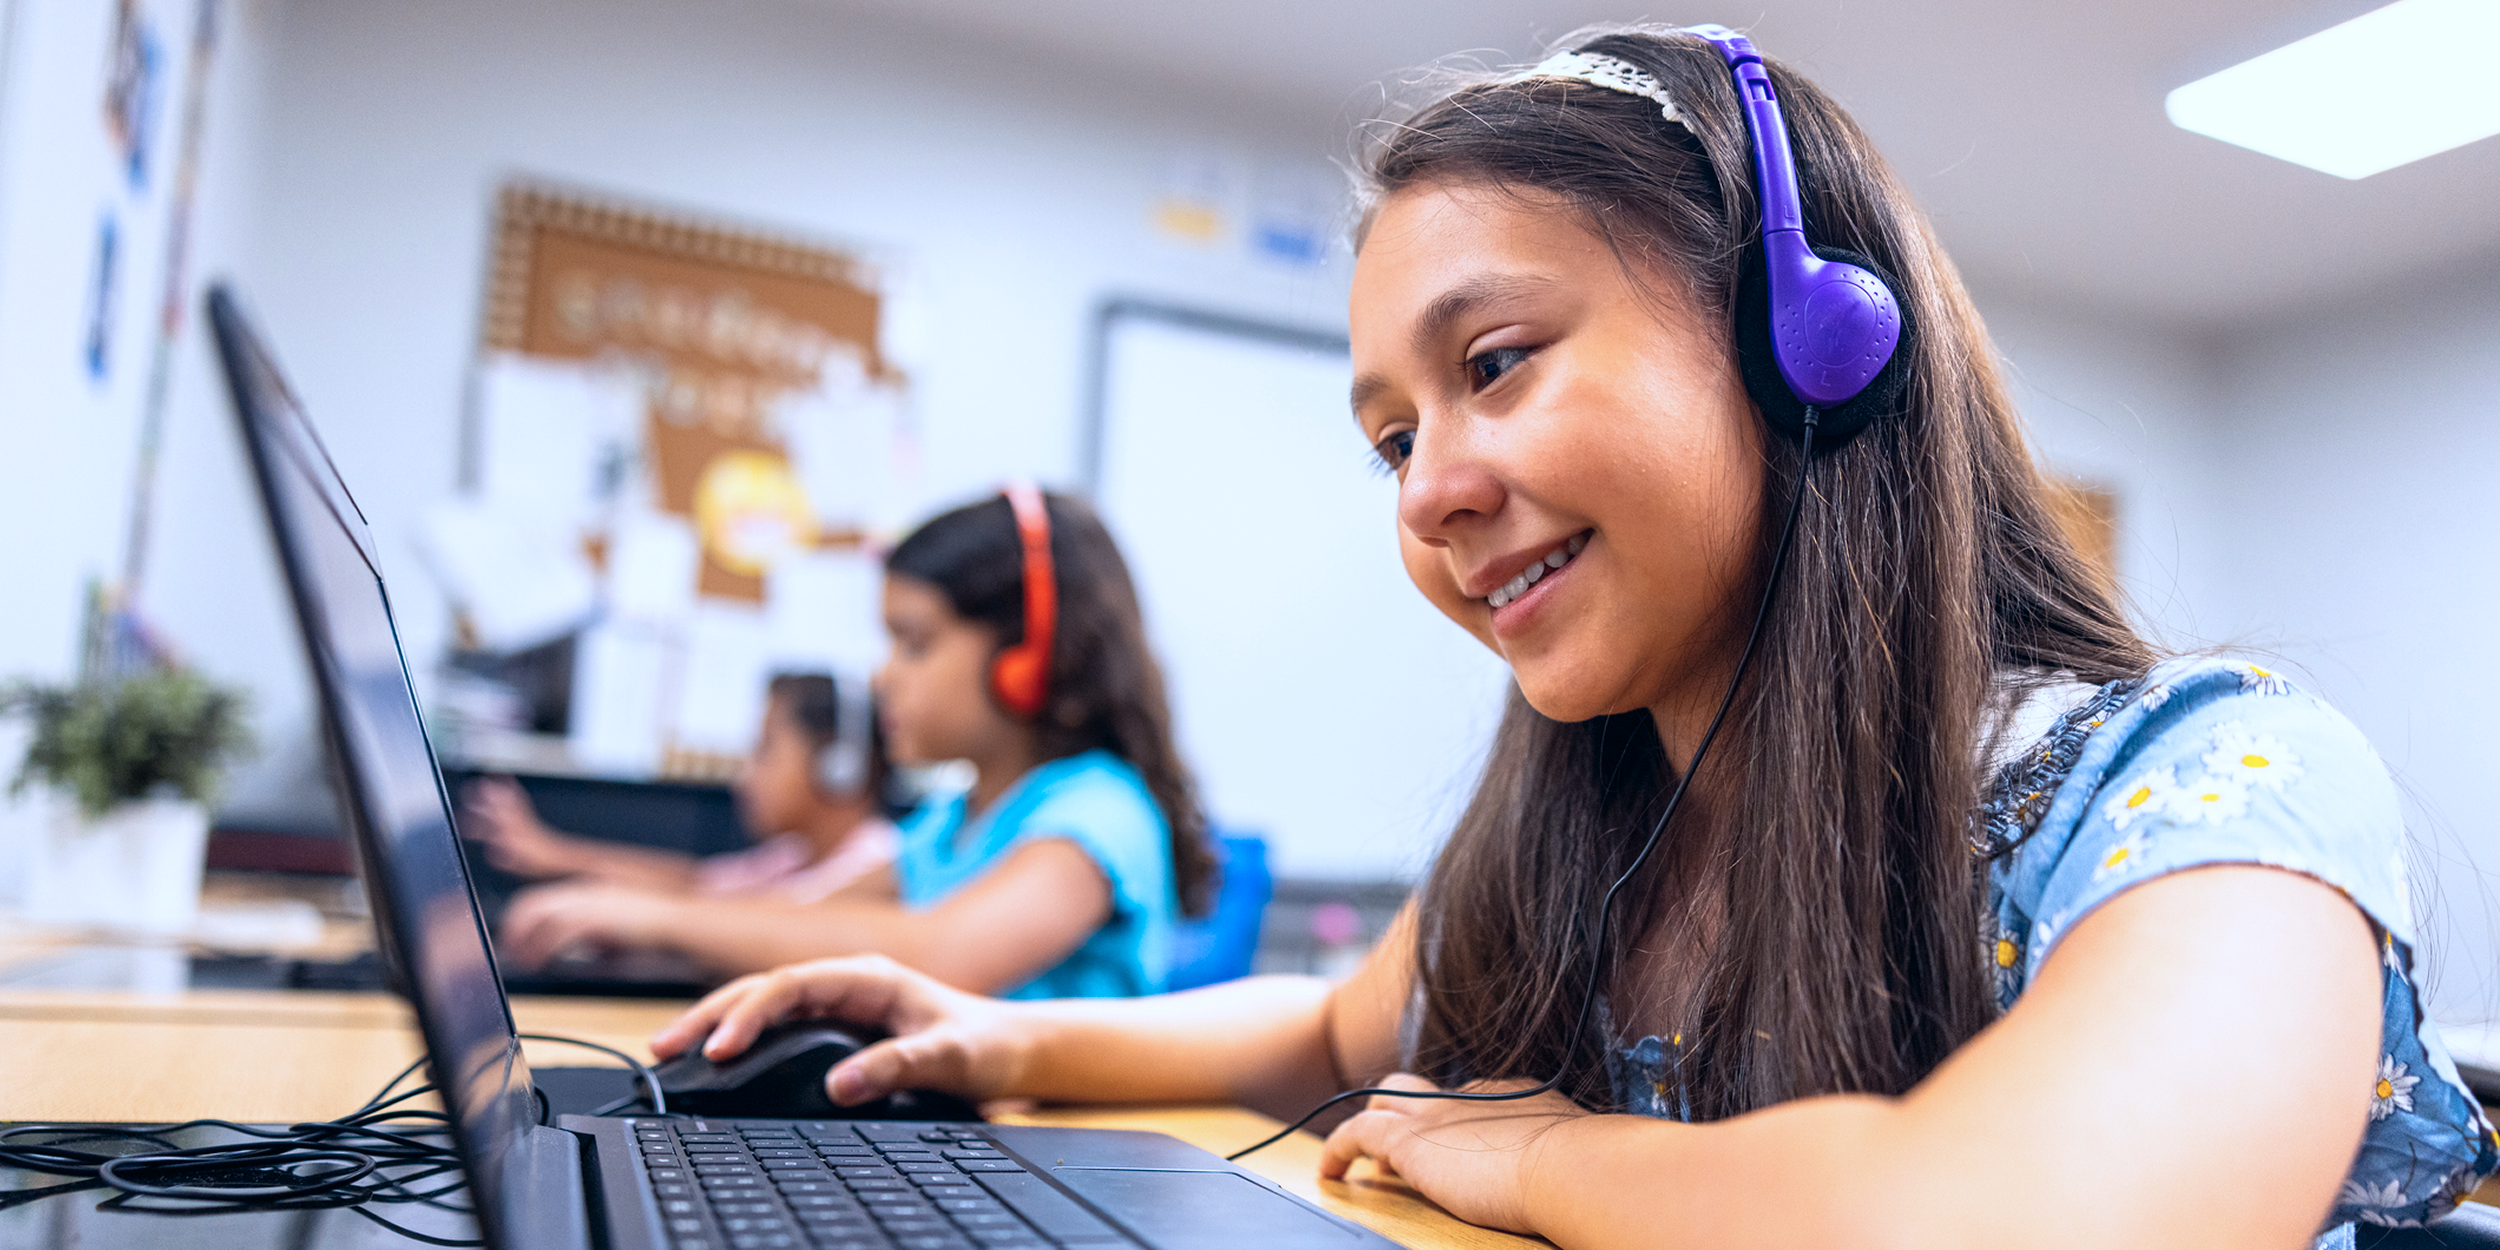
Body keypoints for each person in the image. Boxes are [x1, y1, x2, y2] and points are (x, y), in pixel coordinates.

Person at [647, 24, 2496, 1250]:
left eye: (1494, 365)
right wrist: (995, 1044)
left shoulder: (2205, 785)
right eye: (1391, 439)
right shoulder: (1589, 824)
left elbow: (2009, 1218)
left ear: (1801, 334)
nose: (1426, 493)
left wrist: (1536, 1155)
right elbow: (1324, 1028)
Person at [500, 485, 1219, 999]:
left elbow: (944, 954)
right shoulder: (950, 820)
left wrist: (658, 919)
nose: (884, 676)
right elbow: (801, 917)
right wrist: (630, 924)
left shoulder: (1096, 813)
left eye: (913, 642)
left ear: (1027, 656)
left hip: (1065, 1168)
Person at [467, 673, 897, 904]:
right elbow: (696, 885)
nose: (746, 776)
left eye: (765, 750)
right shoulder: (795, 856)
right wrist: (554, 854)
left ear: (838, 767)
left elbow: (741, 921)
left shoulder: (874, 862)